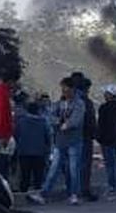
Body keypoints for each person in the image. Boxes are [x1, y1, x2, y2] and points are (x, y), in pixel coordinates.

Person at [29, 77, 85, 206]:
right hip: (60, 141)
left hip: (74, 141)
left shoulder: (79, 103)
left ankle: (73, 194)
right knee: (54, 168)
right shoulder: (59, 103)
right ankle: (43, 193)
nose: (64, 92)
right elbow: (50, 117)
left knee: (73, 168)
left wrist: (66, 124)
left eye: (66, 89)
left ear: (72, 89)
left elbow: (75, 121)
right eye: (62, 89)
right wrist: (59, 122)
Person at [70, 73, 99, 202]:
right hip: (85, 137)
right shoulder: (86, 102)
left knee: (72, 165)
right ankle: (84, 190)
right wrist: (94, 134)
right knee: (84, 165)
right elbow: (90, 121)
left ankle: (73, 191)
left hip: (70, 137)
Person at [15, 101, 50, 193]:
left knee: (25, 176)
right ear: (38, 110)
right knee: (38, 176)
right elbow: (48, 137)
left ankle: (23, 193)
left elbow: (16, 135)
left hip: (24, 152)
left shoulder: (21, 121)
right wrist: (47, 150)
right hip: (39, 152)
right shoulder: (43, 122)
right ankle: (37, 194)